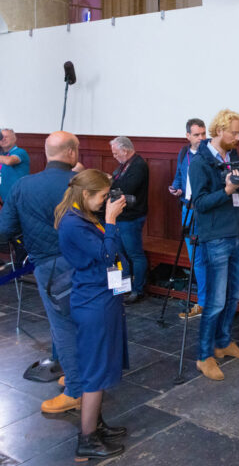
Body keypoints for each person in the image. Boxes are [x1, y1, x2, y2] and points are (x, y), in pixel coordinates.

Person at [0, 131, 83, 413]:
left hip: (48, 266)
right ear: (71, 153)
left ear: (47, 154)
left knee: (64, 329)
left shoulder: (24, 185)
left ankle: (75, 389)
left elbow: (4, 229)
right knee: (88, 326)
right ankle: (84, 381)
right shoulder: (81, 185)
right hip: (86, 264)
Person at [55, 169, 129, 461]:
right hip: (93, 302)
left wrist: (108, 221)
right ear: (85, 195)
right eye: (101, 197)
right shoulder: (73, 224)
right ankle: (86, 439)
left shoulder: (83, 216)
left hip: (103, 297)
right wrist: (110, 221)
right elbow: (106, 255)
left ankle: (96, 426)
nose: (104, 202)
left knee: (103, 362)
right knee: (95, 371)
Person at [190, 109, 239, 381]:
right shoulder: (200, 161)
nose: (238, 137)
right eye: (234, 132)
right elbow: (200, 203)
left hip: (238, 231)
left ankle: (223, 342)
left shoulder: (233, 156)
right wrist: (227, 191)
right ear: (219, 131)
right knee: (215, 301)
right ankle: (204, 356)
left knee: (233, 294)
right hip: (215, 236)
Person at [169, 118, 208, 319]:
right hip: (187, 209)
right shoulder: (184, 153)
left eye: (203, 133)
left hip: (206, 211)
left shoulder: (210, 154)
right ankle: (202, 303)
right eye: (196, 134)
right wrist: (175, 187)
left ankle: (207, 302)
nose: (201, 138)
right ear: (187, 136)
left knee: (209, 257)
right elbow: (179, 175)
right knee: (195, 258)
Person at [109, 136, 149, 304]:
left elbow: (124, 190)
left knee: (134, 254)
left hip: (131, 218)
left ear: (125, 150)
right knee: (119, 255)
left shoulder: (138, 165)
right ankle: (122, 288)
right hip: (121, 216)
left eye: (115, 153)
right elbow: (117, 187)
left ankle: (138, 290)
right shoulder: (125, 164)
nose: (114, 156)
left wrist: (110, 187)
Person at [0, 128, 31, 203]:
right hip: (4, 200)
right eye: (1, 137)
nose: (3, 139)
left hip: (19, 199)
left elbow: (9, 161)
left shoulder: (20, 152)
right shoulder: (1, 155)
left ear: (14, 138)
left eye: (6, 136)